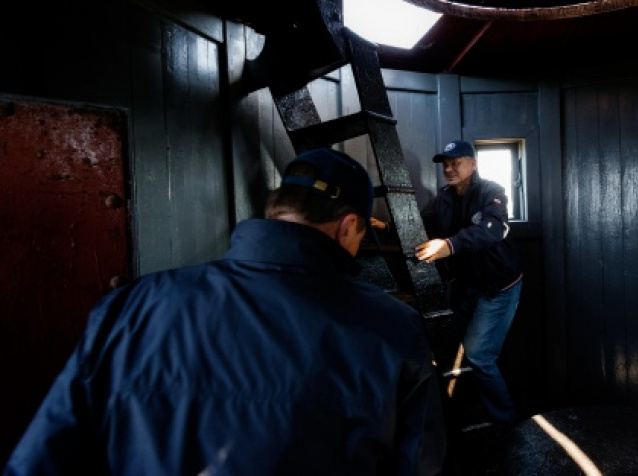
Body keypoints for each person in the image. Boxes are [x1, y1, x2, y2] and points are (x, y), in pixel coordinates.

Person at [4, 148, 447, 475]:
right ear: (349, 225)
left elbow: (42, 456)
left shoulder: (131, 306)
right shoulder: (391, 327)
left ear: (276, 212)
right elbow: (418, 465)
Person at [378, 140, 522, 428]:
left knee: (479, 357)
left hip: (498, 287)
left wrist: (449, 245)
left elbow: (493, 229)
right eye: (445, 163)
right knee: (449, 350)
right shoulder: (443, 197)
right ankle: (467, 414)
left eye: (456, 162)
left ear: (473, 163)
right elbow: (419, 223)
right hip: (464, 285)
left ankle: (509, 426)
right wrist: (386, 227)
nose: (449, 168)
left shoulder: (491, 191)